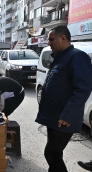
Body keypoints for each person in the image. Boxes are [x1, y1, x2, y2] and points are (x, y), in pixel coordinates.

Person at [35, 25, 92, 172]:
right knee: (54, 153)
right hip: (54, 117)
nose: (49, 43)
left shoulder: (77, 56)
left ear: (63, 38)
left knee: (52, 153)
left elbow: (83, 89)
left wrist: (68, 115)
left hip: (63, 118)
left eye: (51, 39)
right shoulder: (60, 58)